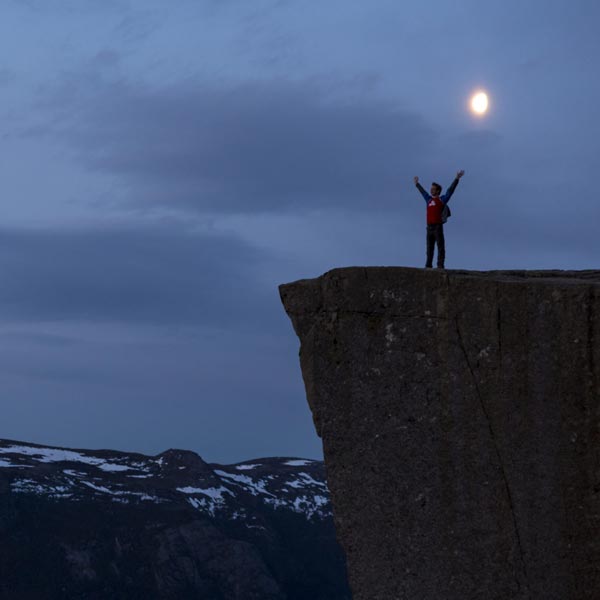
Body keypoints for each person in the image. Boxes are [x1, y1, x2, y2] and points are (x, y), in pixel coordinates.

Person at [413, 170, 465, 269]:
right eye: (431, 189)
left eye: (433, 189)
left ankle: (440, 265)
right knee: (429, 248)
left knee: (440, 247)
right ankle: (428, 265)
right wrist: (417, 184)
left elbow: (450, 191)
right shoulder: (428, 200)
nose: (431, 190)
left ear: (438, 191)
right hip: (429, 228)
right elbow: (423, 192)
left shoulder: (442, 200)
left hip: (437, 227)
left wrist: (457, 179)